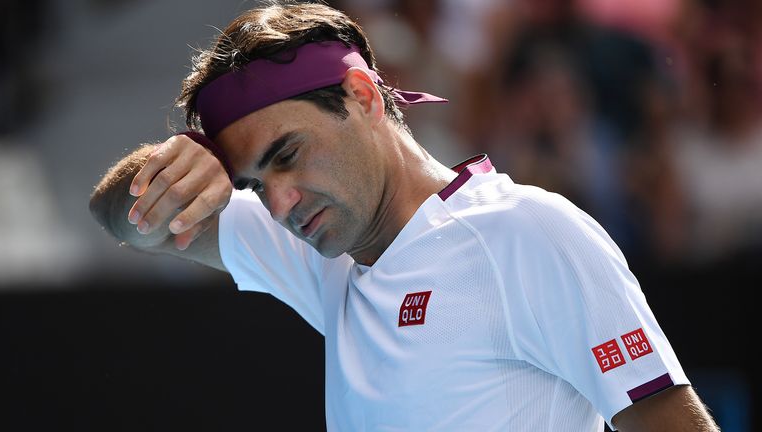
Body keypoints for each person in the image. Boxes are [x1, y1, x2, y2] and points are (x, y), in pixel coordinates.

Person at [89, 2, 719, 431]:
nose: (277, 203)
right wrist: (175, 164)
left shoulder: (530, 231)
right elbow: (121, 217)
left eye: (288, 154)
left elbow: (667, 422)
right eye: (254, 180)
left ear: (362, 96)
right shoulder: (319, 250)